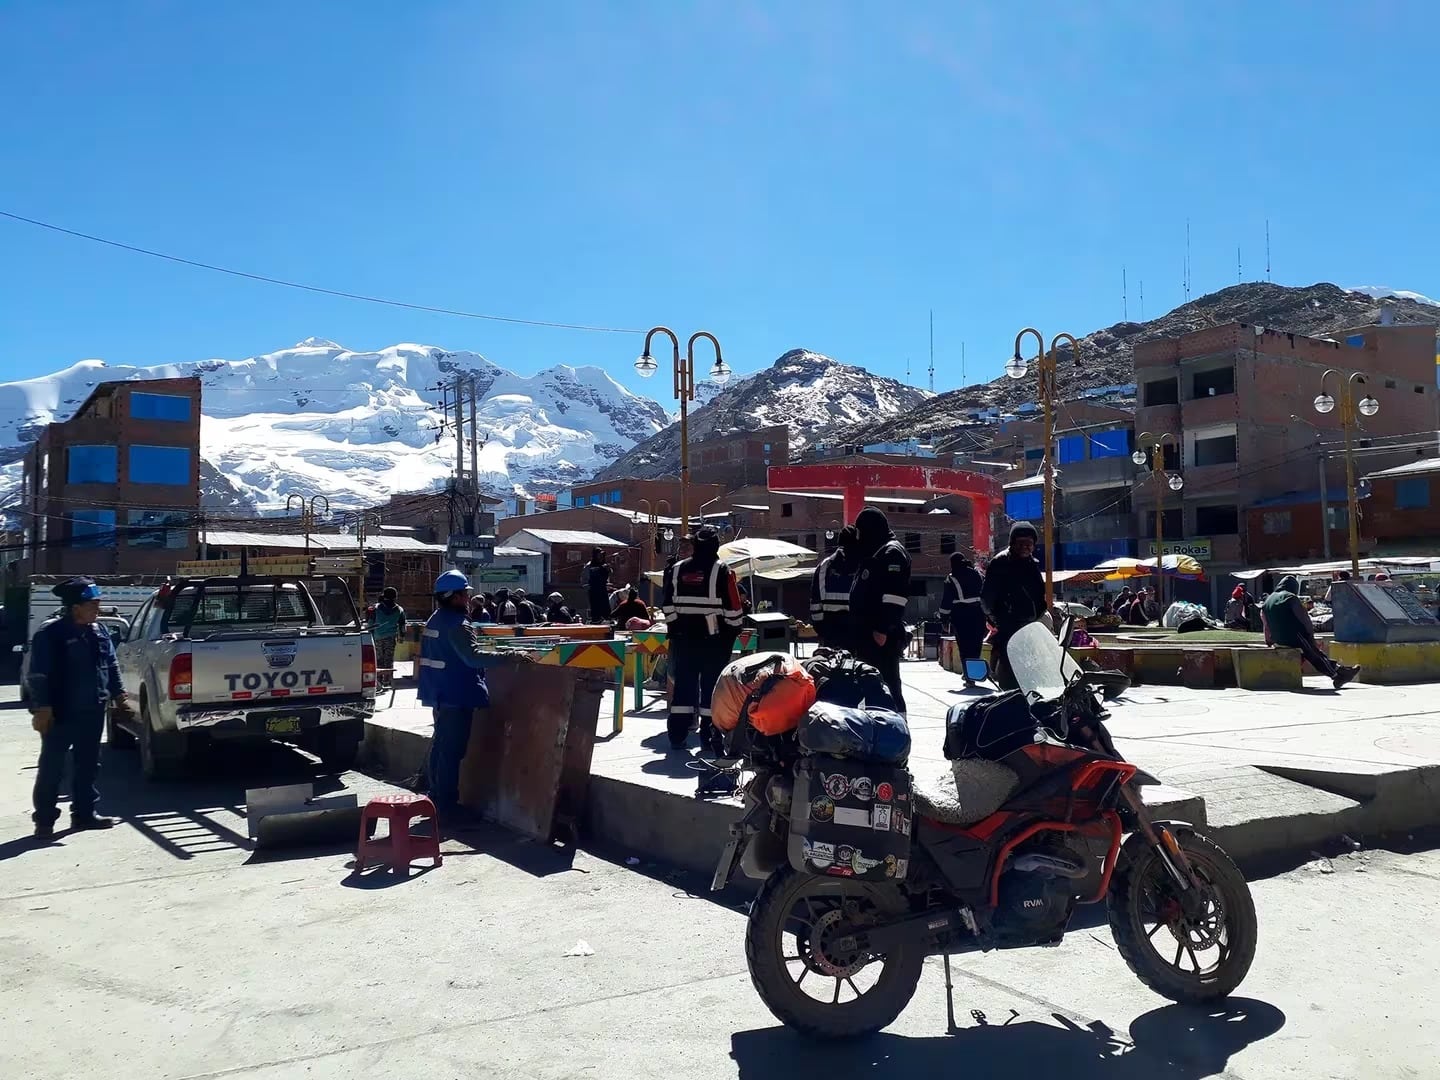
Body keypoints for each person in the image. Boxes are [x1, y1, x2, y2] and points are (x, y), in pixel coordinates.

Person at [26, 577, 135, 838]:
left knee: (88, 764)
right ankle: (45, 820)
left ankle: (84, 815)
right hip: (60, 712)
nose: (97, 608)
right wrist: (42, 707)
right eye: (92, 604)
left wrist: (120, 696)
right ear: (76, 607)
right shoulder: (50, 633)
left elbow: (111, 665)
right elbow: (38, 673)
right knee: (52, 766)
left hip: (93, 709)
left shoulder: (99, 632)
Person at [417, 570, 528, 820]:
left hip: (441, 692)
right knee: (452, 751)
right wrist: (510, 656)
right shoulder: (457, 624)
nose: (468, 599)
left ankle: (436, 799)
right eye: (465, 594)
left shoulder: (437, 618)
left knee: (443, 748)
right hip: (456, 694)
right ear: (454, 597)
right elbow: (472, 657)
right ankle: (446, 806)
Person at [661, 525, 743, 753]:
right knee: (711, 691)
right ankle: (709, 739)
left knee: (683, 690)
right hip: (713, 643)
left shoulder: (676, 570)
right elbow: (734, 611)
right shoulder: (722, 570)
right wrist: (731, 634)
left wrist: (677, 629)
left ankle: (677, 736)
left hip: (684, 640)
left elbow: (667, 605)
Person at [847, 507, 912, 711]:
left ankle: (898, 729)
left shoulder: (892, 553)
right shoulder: (876, 552)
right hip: (868, 635)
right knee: (872, 686)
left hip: (881, 637)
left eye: (861, 532)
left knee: (888, 686)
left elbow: (895, 596)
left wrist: (883, 629)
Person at [980, 521, 1047, 691]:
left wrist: (1038, 614)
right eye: (1021, 543)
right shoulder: (1000, 562)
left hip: (1030, 627)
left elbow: (1039, 595)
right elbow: (987, 598)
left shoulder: (1032, 564)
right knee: (1010, 671)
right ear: (1012, 543)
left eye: (1029, 543)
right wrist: (999, 621)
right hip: (1008, 627)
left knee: (1031, 671)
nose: (1025, 547)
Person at [1262, 574, 1360, 690]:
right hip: (1294, 635)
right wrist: (1311, 636)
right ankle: (1336, 675)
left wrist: (1268, 640)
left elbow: (1266, 624)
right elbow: (1304, 619)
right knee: (1313, 653)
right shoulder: (1290, 597)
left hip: (1278, 638)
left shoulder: (1268, 601)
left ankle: (1340, 671)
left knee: (1314, 652)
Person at [938, 550, 986, 685]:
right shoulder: (977, 574)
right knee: (976, 646)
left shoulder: (952, 578)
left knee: (965, 647)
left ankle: (969, 676)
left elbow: (946, 602)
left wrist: (944, 619)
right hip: (978, 614)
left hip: (961, 616)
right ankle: (974, 675)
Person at [808, 525, 857, 649]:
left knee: (831, 665)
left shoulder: (824, 566)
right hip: (856, 631)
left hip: (829, 630)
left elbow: (815, 601)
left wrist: (821, 630)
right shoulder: (862, 565)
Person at [369, 587, 406, 689]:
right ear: (395, 597)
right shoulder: (399, 609)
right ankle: (388, 681)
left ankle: (378, 682)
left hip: (377, 637)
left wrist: (370, 634)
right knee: (388, 660)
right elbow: (402, 625)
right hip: (390, 638)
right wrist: (402, 636)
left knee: (378, 659)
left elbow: (370, 623)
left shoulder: (376, 608)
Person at [584, 548, 612, 623]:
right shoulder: (589, 566)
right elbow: (585, 579)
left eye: (602, 555)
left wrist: (607, 569)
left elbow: (608, 576)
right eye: (599, 555)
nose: (600, 557)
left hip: (603, 590)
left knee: (606, 611)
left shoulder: (604, 565)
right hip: (594, 591)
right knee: (596, 612)